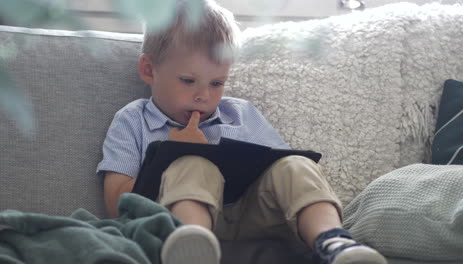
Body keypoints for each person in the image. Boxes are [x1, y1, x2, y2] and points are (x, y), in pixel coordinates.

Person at [97, 1, 387, 263]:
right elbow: (117, 205)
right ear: (149, 69)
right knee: (192, 162)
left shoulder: (241, 113)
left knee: (296, 165)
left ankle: (334, 243)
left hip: (254, 220)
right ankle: (192, 248)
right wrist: (170, 155)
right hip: (177, 223)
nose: (203, 96)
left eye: (216, 83)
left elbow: (280, 172)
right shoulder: (133, 121)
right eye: (188, 80)